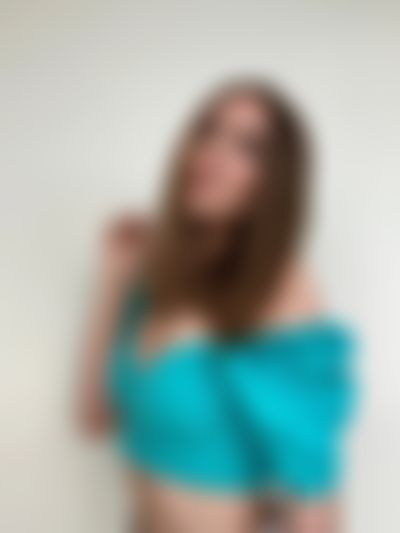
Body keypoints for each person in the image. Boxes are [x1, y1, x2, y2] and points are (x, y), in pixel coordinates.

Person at [80, 79, 354, 532]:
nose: (214, 155)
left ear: (273, 182)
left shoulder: (278, 288)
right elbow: (95, 419)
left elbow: (314, 494)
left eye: (248, 147)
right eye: (208, 130)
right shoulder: (158, 275)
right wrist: (114, 278)